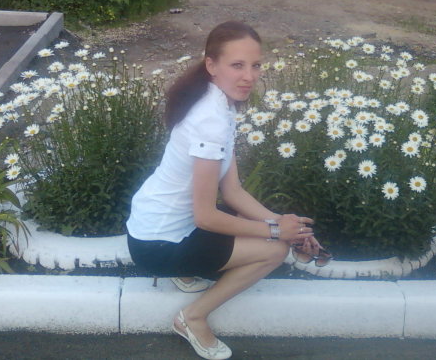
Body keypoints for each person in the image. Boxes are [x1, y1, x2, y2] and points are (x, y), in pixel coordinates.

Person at [126, 21, 324, 360]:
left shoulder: (216, 102)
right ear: (211, 65)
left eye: (255, 65)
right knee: (274, 251)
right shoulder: (211, 122)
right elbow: (205, 217)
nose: (249, 76)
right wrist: (278, 233)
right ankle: (192, 317)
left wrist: (286, 225)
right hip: (156, 245)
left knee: (267, 232)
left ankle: (186, 271)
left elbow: (233, 192)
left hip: (153, 225)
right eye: (237, 65)